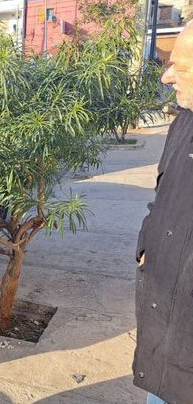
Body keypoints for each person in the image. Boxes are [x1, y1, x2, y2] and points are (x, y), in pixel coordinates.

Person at [134, 21, 193, 404]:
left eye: (182, 67)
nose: (167, 77)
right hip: (165, 326)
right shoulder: (183, 123)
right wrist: (145, 246)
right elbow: (162, 194)